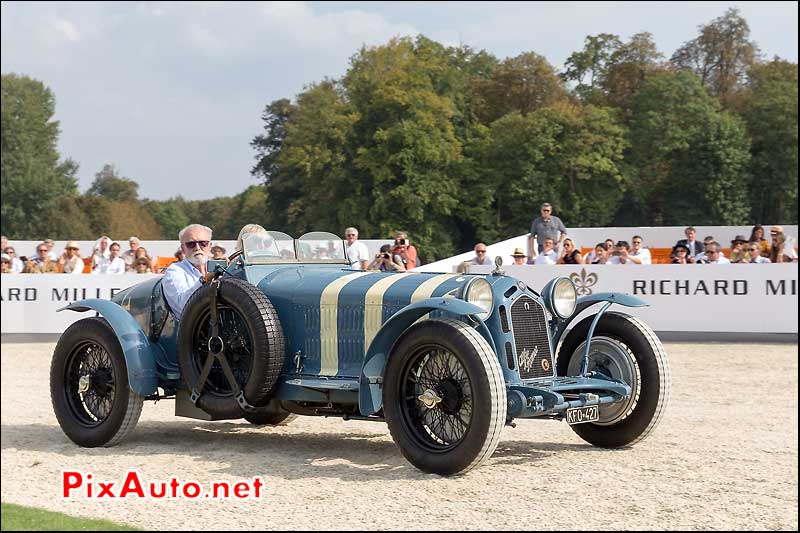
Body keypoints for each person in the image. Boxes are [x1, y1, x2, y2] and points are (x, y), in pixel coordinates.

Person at [162, 224, 215, 321]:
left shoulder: (218, 267)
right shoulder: (174, 271)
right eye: (191, 244)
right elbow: (182, 305)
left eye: (203, 243)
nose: (197, 248)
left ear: (210, 246)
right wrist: (205, 280)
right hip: (192, 330)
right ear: (183, 248)